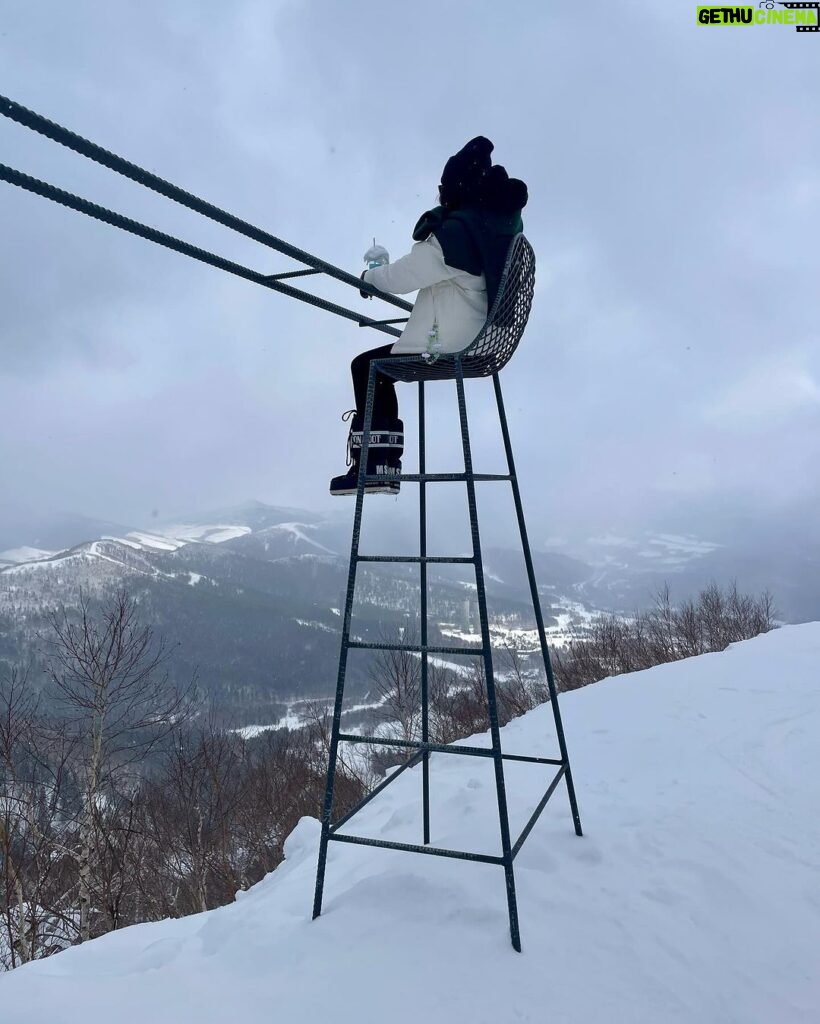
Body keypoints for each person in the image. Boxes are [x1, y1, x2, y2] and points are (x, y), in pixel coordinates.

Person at [330, 136, 528, 497]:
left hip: (453, 343)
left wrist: (370, 278)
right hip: (483, 340)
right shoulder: (498, 226)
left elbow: (406, 276)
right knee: (379, 366)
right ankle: (381, 466)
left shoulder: (459, 232)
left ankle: (374, 467)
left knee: (367, 367)